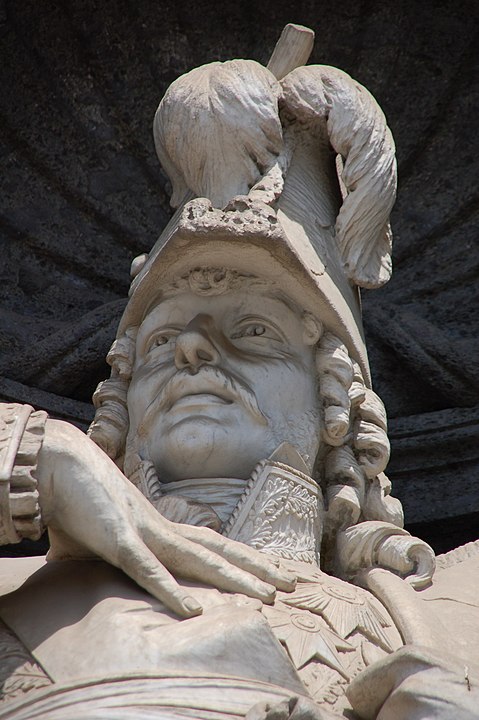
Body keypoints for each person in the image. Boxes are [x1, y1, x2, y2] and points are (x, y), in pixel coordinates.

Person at [1, 25, 478, 720]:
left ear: (335, 407)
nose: (193, 351)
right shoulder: (13, 590)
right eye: (162, 341)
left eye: (252, 332)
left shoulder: (449, 614)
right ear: (120, 403)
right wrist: (35, 461)